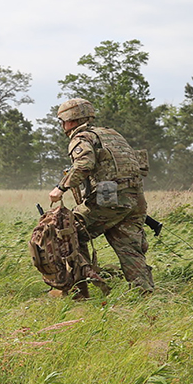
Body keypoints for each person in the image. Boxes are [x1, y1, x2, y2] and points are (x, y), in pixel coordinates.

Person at [49, 97, 154, 292]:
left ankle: (78, 290)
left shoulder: (81, 138)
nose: (62, 126)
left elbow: (84, 165)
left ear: (70, 120)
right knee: (130, 250)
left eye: (62, 121)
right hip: (135, 198)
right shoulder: (111, 134)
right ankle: (145, 295)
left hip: (109, 197)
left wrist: (60, 188)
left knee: (66, 232)